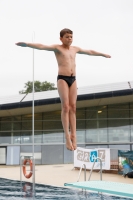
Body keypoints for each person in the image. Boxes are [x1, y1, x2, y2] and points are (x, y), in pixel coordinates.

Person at [16, 28, 111, 151]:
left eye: (71, 36)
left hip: (73, 79)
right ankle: (67, 136)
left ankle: (74, 136)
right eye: (67, 37)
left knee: (73, 107)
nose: (69, 39)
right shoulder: (57, 48)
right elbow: (41, 46)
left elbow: (90, 52)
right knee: (66, 107)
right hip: (62, 79)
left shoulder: (75, 49)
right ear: (61, 38)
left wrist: (103, 54)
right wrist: (26, 44)